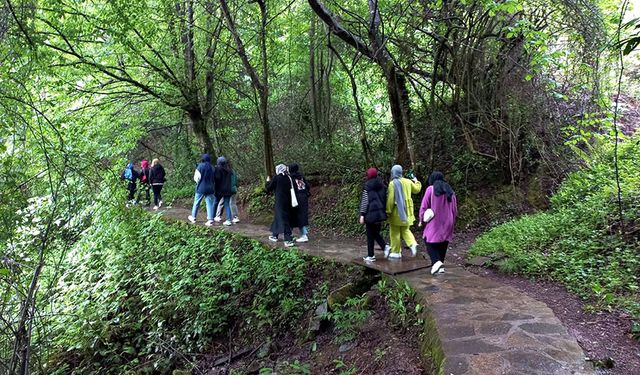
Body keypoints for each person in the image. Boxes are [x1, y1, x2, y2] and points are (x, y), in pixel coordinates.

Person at [419, 171, 457, 275]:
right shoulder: (450, 190)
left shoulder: (430, 189)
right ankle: (440, 266)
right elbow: (455, 209)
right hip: (449, 220)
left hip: (435, 220)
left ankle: (436, 262)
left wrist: (421, 219)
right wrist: (453, 220)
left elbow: (424, 206)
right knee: (444, 241)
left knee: (428, 239)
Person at [385, 165, 422, 259]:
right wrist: (416, 181)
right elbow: (417, 190)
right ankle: (412, 244)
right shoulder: (408, 181)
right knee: (405, 229)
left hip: (396, 212)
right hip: (407, 211)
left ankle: (396, 252)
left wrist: (388, 210)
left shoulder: (392, 183)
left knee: (394, 232)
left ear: (393, 172)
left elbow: (390, 199)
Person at [359, 168, 390, 262]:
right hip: (380, 214)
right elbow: (385, 199)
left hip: (370, 215)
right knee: (375, 233)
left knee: (370, 235)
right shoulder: (382, 185)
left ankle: (372, 255)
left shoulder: (367, 186)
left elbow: (365, 201)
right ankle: (384, 248)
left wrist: (362, 214)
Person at [266, 164, 295, 247]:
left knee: (283, 219)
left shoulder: (277, 178)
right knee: (278, 217)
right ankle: (274, 235)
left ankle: (287, 239)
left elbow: (268, 188)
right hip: (288, 201)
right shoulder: (289, 178)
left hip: (280, 202)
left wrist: (268, 181)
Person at [188, 154, 216, 226]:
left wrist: (198, 183)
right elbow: (215, 178)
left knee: (196, 202)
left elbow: (196, 178)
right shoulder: (212, 167)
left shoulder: (200, 166)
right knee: (209, 204)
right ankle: (210, 219)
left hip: (201, 187)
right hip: (210, 188)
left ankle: (193, 217)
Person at [288, 163, 310, 242]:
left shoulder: (290, 178)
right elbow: (307, 186)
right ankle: (291, 233)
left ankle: (302, 235)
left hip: (295, 199)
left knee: (293, 216)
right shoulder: (301, 176)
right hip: (304, 198)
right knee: (301, 216)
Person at [213, 156, 234, 226]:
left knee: (215, 203)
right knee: (227, 204)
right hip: (228, 189)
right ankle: (229, 220)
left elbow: (217, 178)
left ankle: (211, 217)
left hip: (220, 190)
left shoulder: (218, 169)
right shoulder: (229, 169)